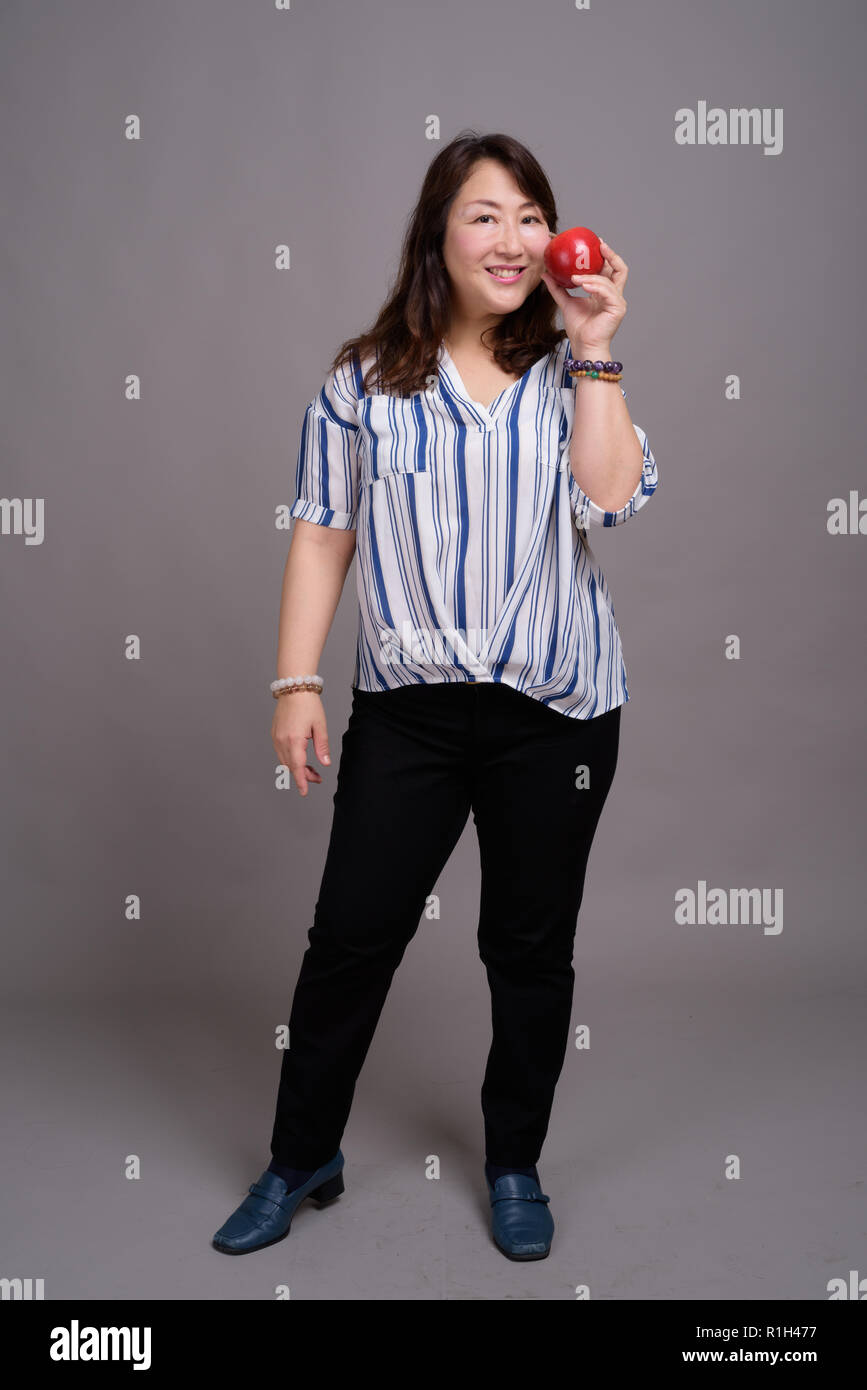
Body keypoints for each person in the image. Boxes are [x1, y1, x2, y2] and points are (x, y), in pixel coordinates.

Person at [212, 130, 659, 1263]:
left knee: (527, 948)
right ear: (439, 234)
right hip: (407, 711)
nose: (510, 238)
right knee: (350, 938)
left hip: (555, 707)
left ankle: (515, 1160)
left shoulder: (572, 370)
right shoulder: (362, 381)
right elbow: (324, 532)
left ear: (552, 241)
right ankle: (300, 1153)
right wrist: (295, 679)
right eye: (484, 215)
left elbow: (611, 501)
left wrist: (600, 346)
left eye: (528, 216)